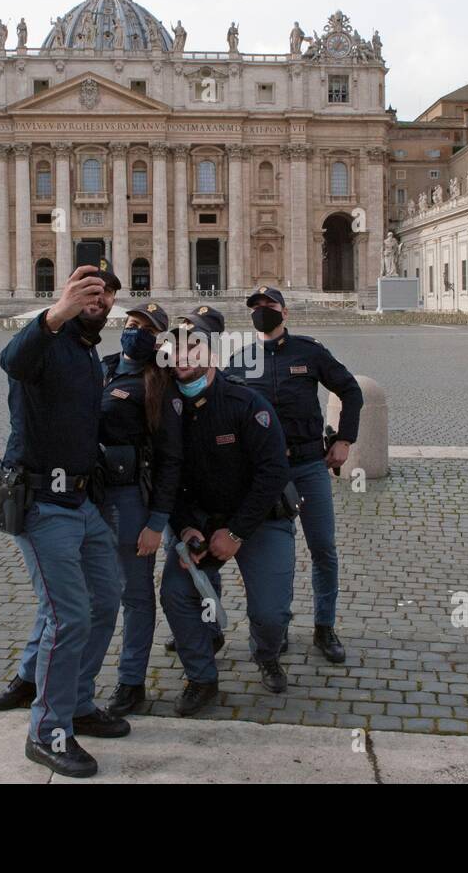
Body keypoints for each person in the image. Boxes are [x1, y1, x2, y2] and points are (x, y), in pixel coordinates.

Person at [0, 262, 128, 779]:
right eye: (88, 290)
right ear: (66, 293)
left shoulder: (89, 352)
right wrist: (55, 314)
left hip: (82, 502)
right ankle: (47, 731)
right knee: (67, 615)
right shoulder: (45, 339)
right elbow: (13, 359)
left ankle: (76, 702)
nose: (99, 299)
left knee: (107, 597)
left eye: (107, 293)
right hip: (42, 502)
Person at [160, 306, 296, 716]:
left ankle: (266, 651)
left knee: (270, 613)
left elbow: (274, 472)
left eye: (193, 349)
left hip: (260, 519)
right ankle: (201, 676)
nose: (183, 358)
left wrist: (235, 533)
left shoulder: (245, 402)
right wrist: (184, 528)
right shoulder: (165, 410)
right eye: (176, 350)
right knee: (175, 594)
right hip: (201, 522)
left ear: (212, 355)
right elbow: (166, 476)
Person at [226, 286, 363, 663]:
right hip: (266, 475)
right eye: (255, 307)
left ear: (285, 313)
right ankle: (277, 627)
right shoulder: (239, 360)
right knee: (277, 557)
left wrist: (345, 439)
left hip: (308, 465)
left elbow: (351, 391)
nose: (262, 311)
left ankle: (324, 626)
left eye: (268, 305)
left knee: (323, 549)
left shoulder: (310, 351)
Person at [98, 302, 184, 717]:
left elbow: (170, 460)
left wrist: (156, 522)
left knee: (134, 594)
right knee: (88, 593)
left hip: (130, 497)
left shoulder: (159, 383)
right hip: (87, 496)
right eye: (131, 324)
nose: (135, 331)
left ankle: (131, 681)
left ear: (158, 338)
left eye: (145, 328)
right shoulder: (101, 367)